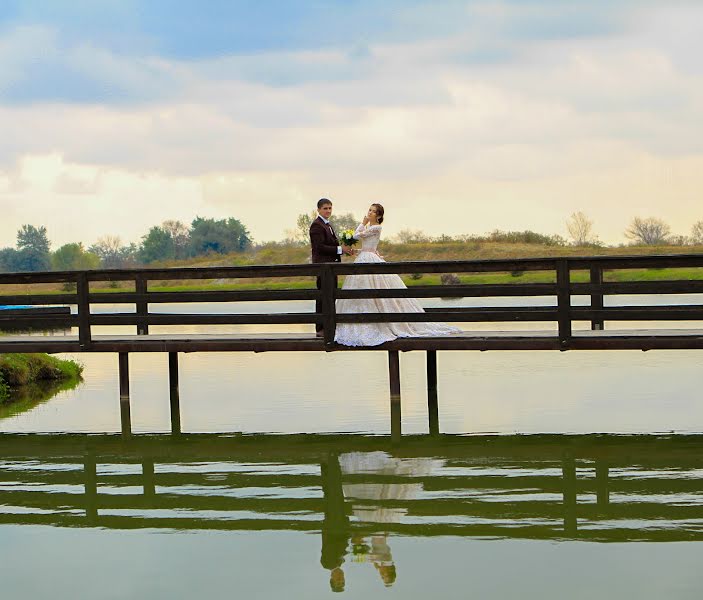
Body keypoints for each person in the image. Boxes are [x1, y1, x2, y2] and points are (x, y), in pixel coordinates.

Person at [334, 203, 461, 346]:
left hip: (370, 259)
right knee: (359, 290)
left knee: (378, 289)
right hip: (364, 257)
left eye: (373, 211)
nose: (369, 213)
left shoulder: (376, 227)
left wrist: (362, 223)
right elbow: (364, 245)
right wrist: (356, 249)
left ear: (379, 216)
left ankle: (385, 321)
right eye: (369, 210)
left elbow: (357, 235)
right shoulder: (369, 228)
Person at [310, 198, 353, 337]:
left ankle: (328, 326)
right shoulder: (317, 225)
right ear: (318, 210)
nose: (328, 211)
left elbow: (331, 245)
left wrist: (343, 249)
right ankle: (320, 328)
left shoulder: (327, 225)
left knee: (330, 296)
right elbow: (320, 247)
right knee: (322, 297)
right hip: (323, 267)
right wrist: (340, 249)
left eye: (330, 208)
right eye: (325, 208)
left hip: (331, 267)